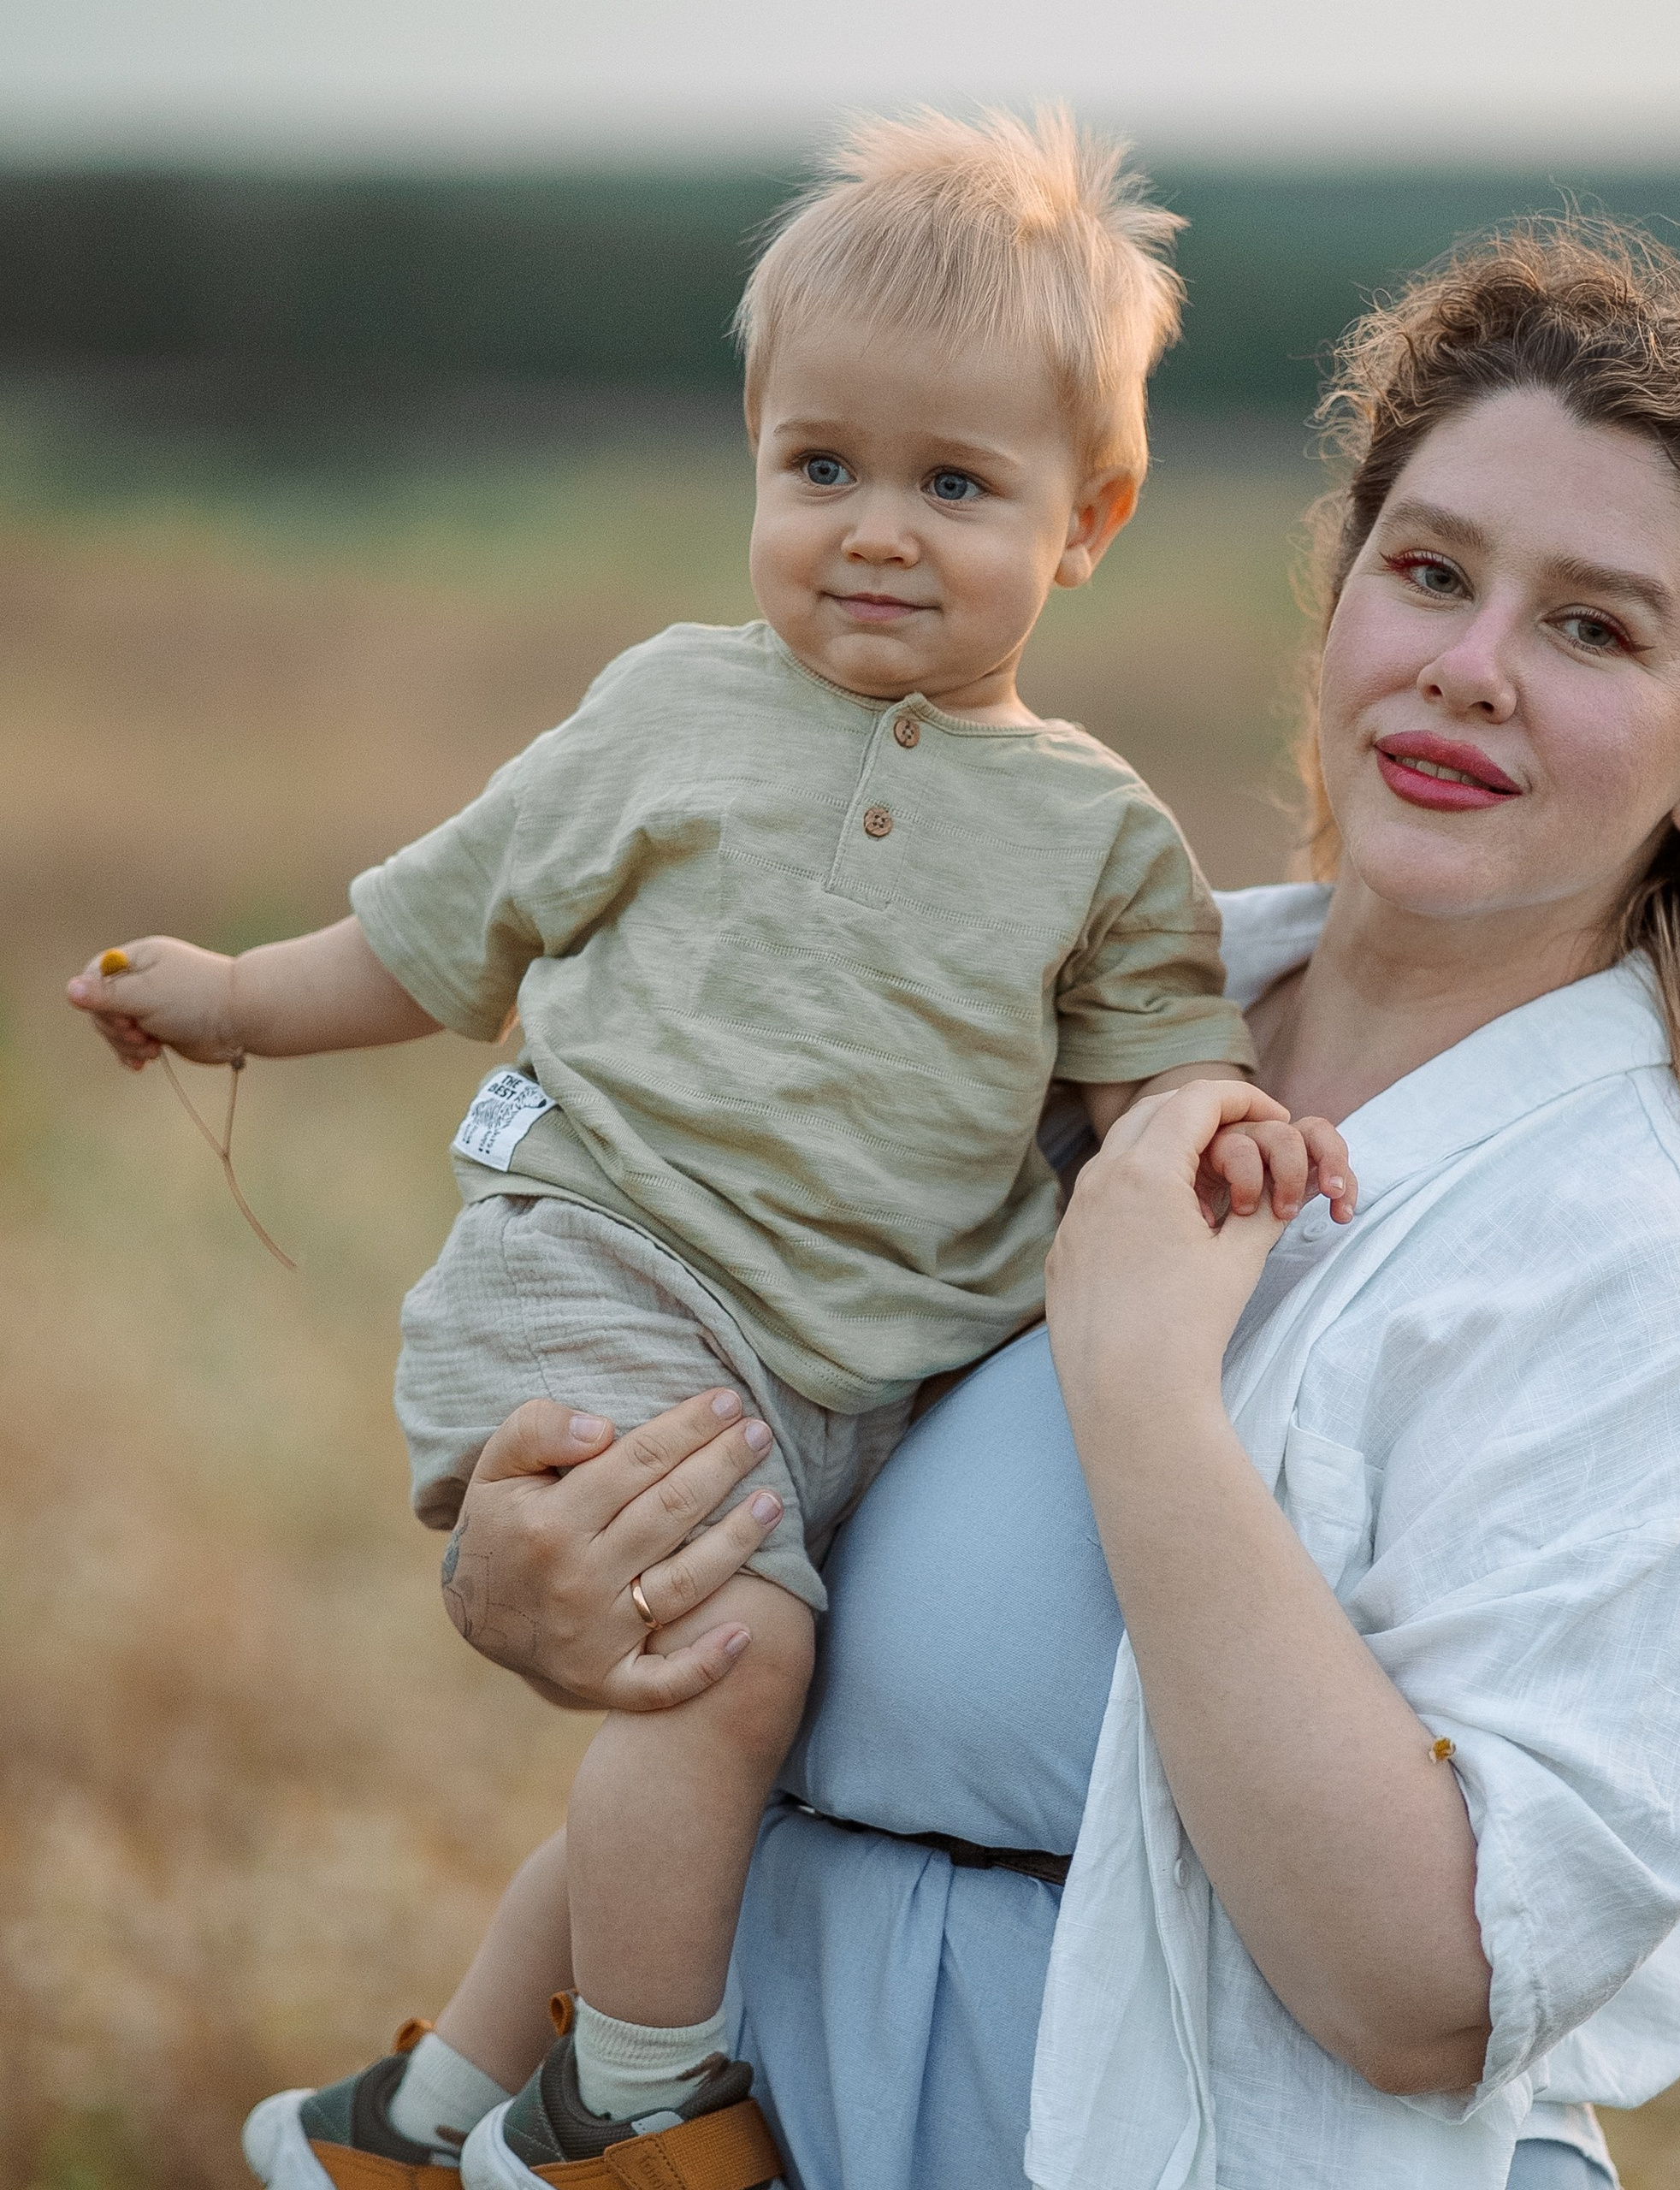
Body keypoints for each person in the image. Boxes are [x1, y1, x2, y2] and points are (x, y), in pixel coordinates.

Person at [437, 220, 1680, 2190]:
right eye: (1430, 571)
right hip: (762, 2091)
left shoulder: (1626, 1261)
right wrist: (535, 1574)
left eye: (1592, 627)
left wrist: (1141, 1387)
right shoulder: (1050, 1008)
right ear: (1342, 592)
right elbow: (674, 1300)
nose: (1467, 668)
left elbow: (1425, 1989)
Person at [63, 111, 1353, 2188]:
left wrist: (1234, 1132)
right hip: (609, 1266)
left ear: (1086, 516)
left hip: (857, 1373)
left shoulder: (1101, 834)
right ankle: (639, 2101)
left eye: (954, 484)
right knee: (726, 1665)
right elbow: (433, 929)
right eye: (818, 466)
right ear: (750, 452)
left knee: (720, 1742)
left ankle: (419, 2110)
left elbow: (1150, 1069)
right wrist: (227, 995)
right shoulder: (669, 709)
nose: (873, 529)